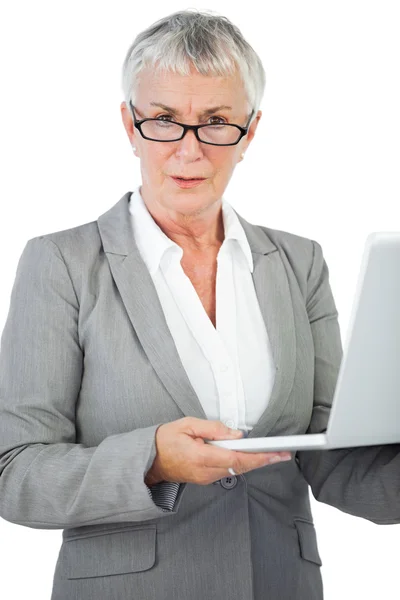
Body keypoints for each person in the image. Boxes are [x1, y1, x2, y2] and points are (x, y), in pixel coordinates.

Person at [0, 9, 399, 600]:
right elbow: (15, 473)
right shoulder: (62, 263)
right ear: (129, 125)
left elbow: (332, 455)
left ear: (251, 131)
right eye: (164, 119)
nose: (190, 149)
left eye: (216, 122)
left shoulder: (299, 263)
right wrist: (151, 461)